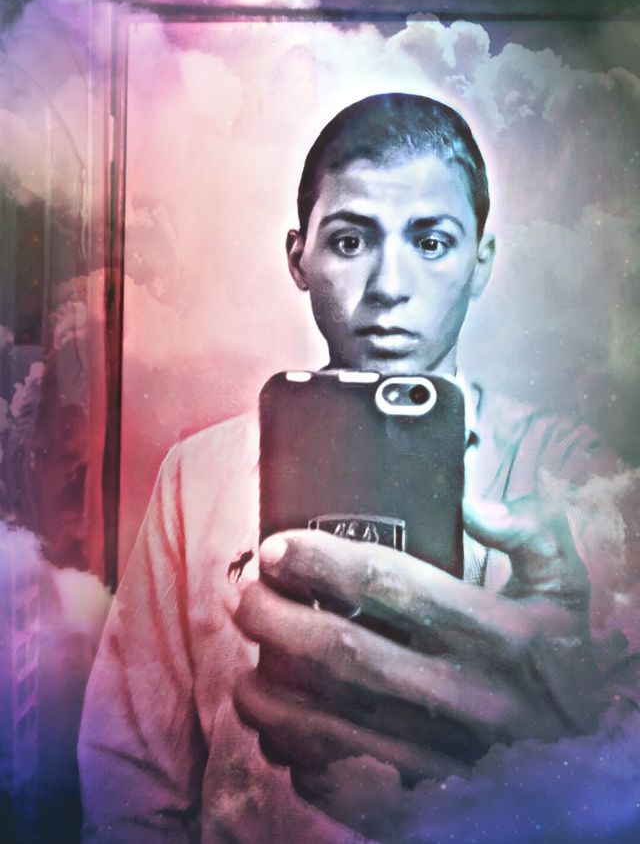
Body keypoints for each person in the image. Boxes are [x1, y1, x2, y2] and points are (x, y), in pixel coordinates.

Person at [78, 94, 629, 843]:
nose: (389, 285)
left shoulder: (574, 475)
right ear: (297, 259)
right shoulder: (196, 477)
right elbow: (133, 778)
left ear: (481, 262)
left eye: (431, 241)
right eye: (349, 240)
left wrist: (573, 742)